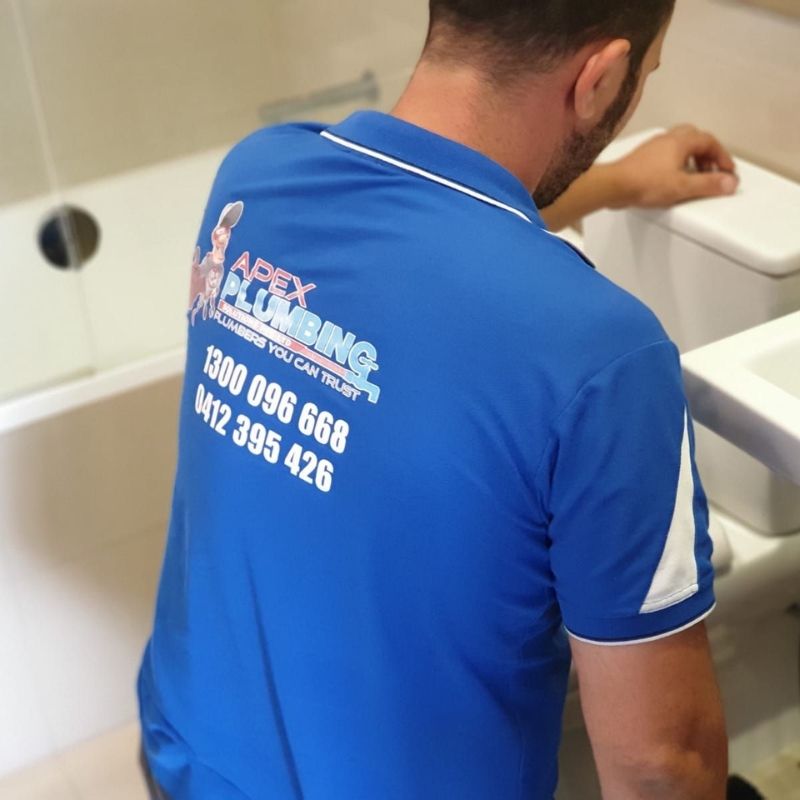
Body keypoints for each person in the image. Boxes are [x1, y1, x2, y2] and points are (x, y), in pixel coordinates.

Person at [138, 2, 733, 798]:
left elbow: (424, 234)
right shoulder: (604, 357)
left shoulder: (257, 179)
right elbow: (664, 767)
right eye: (644, 77)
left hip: (190, 757)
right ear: (601, 78)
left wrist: (623, 180)